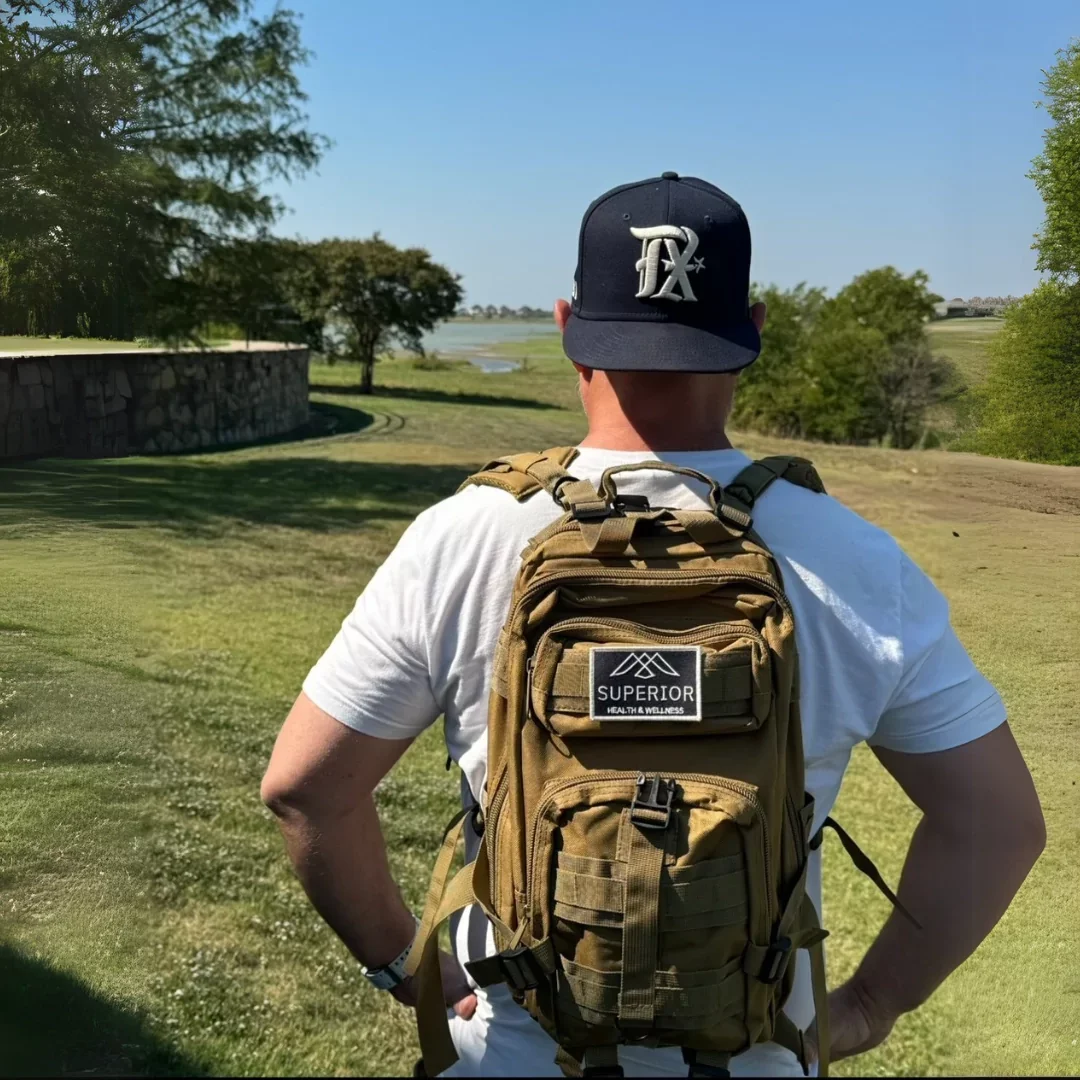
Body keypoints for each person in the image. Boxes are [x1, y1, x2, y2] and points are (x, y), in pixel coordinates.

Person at [261, 173, 1045, 1077]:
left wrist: (407, 967)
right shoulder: (856, 559)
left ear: (568, 325)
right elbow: (999, 824)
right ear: (749, 329)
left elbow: (305, 790)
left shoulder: (463, 535)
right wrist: (870, 1003)